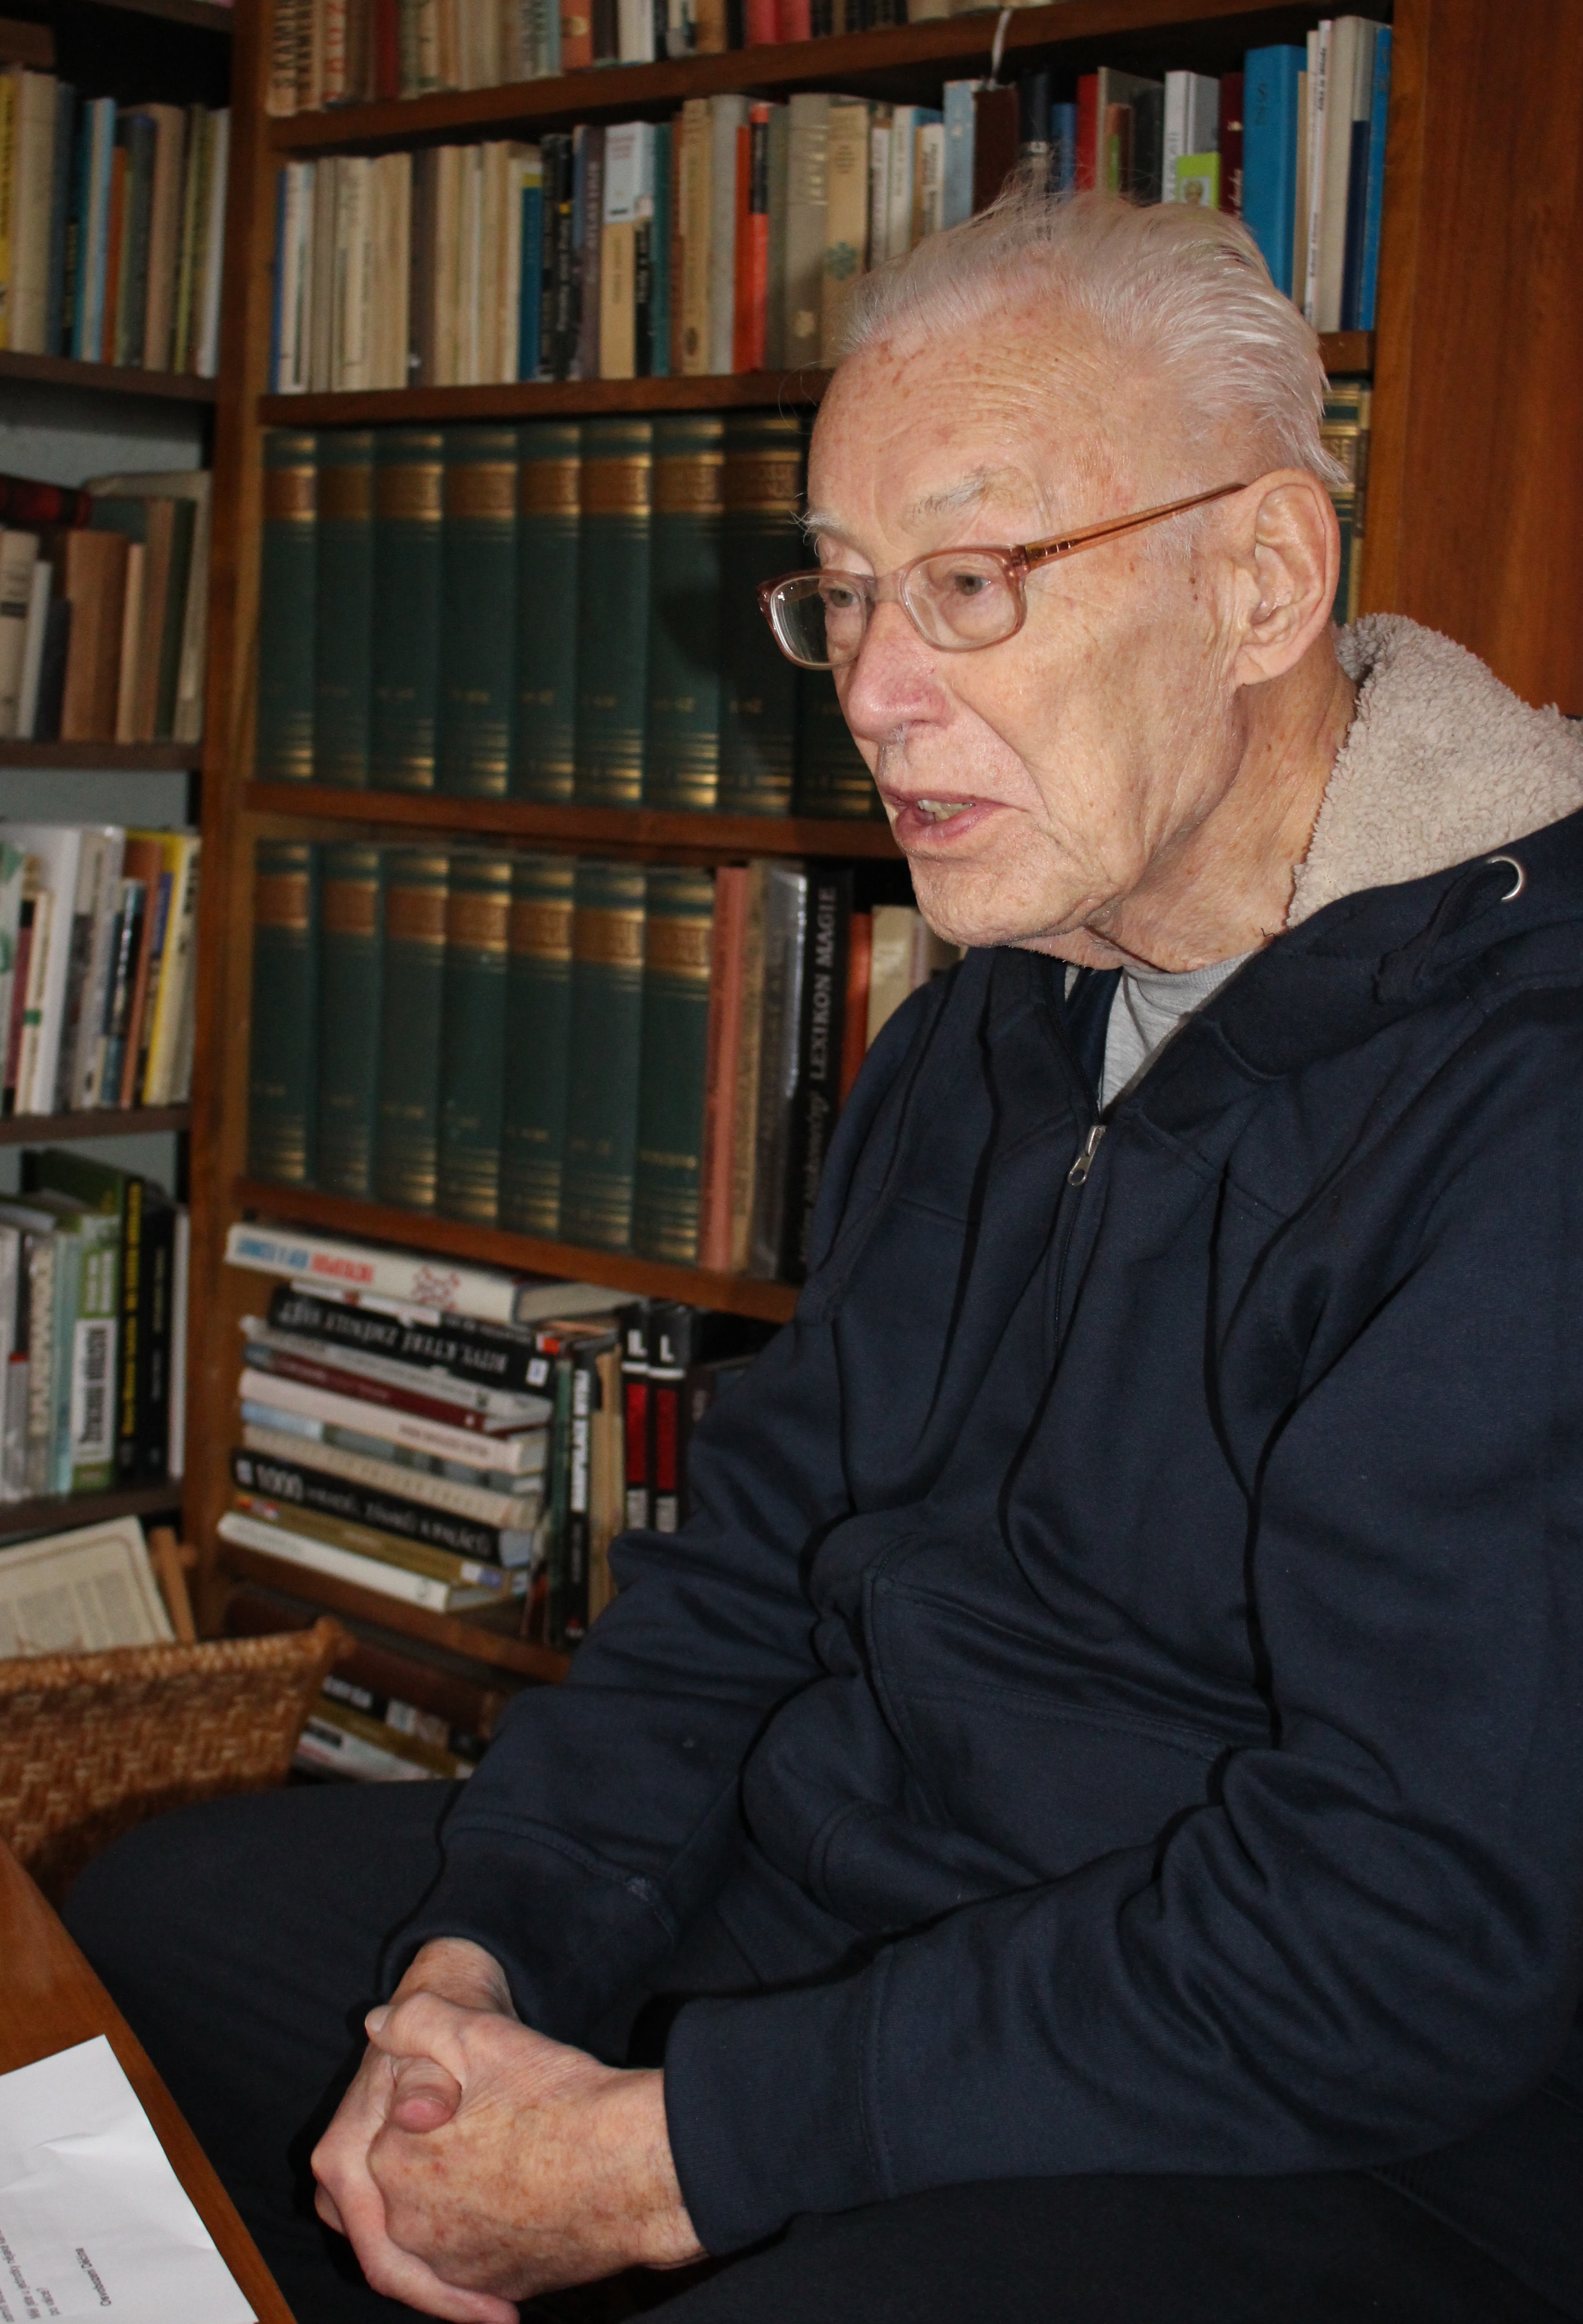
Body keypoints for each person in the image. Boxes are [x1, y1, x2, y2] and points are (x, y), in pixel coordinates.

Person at [68, 188, 1583, 2324]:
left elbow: (1399, 1928)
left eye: (970, 585)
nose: (871, 690)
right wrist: (484, 1964)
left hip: (1304, 2103)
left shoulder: (1525, 1089)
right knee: (155, 1943)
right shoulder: (991, 1018)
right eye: (848, 593)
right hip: (851, 1915)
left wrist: (674, 2154)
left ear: (1260, 579)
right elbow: (748, 1579)